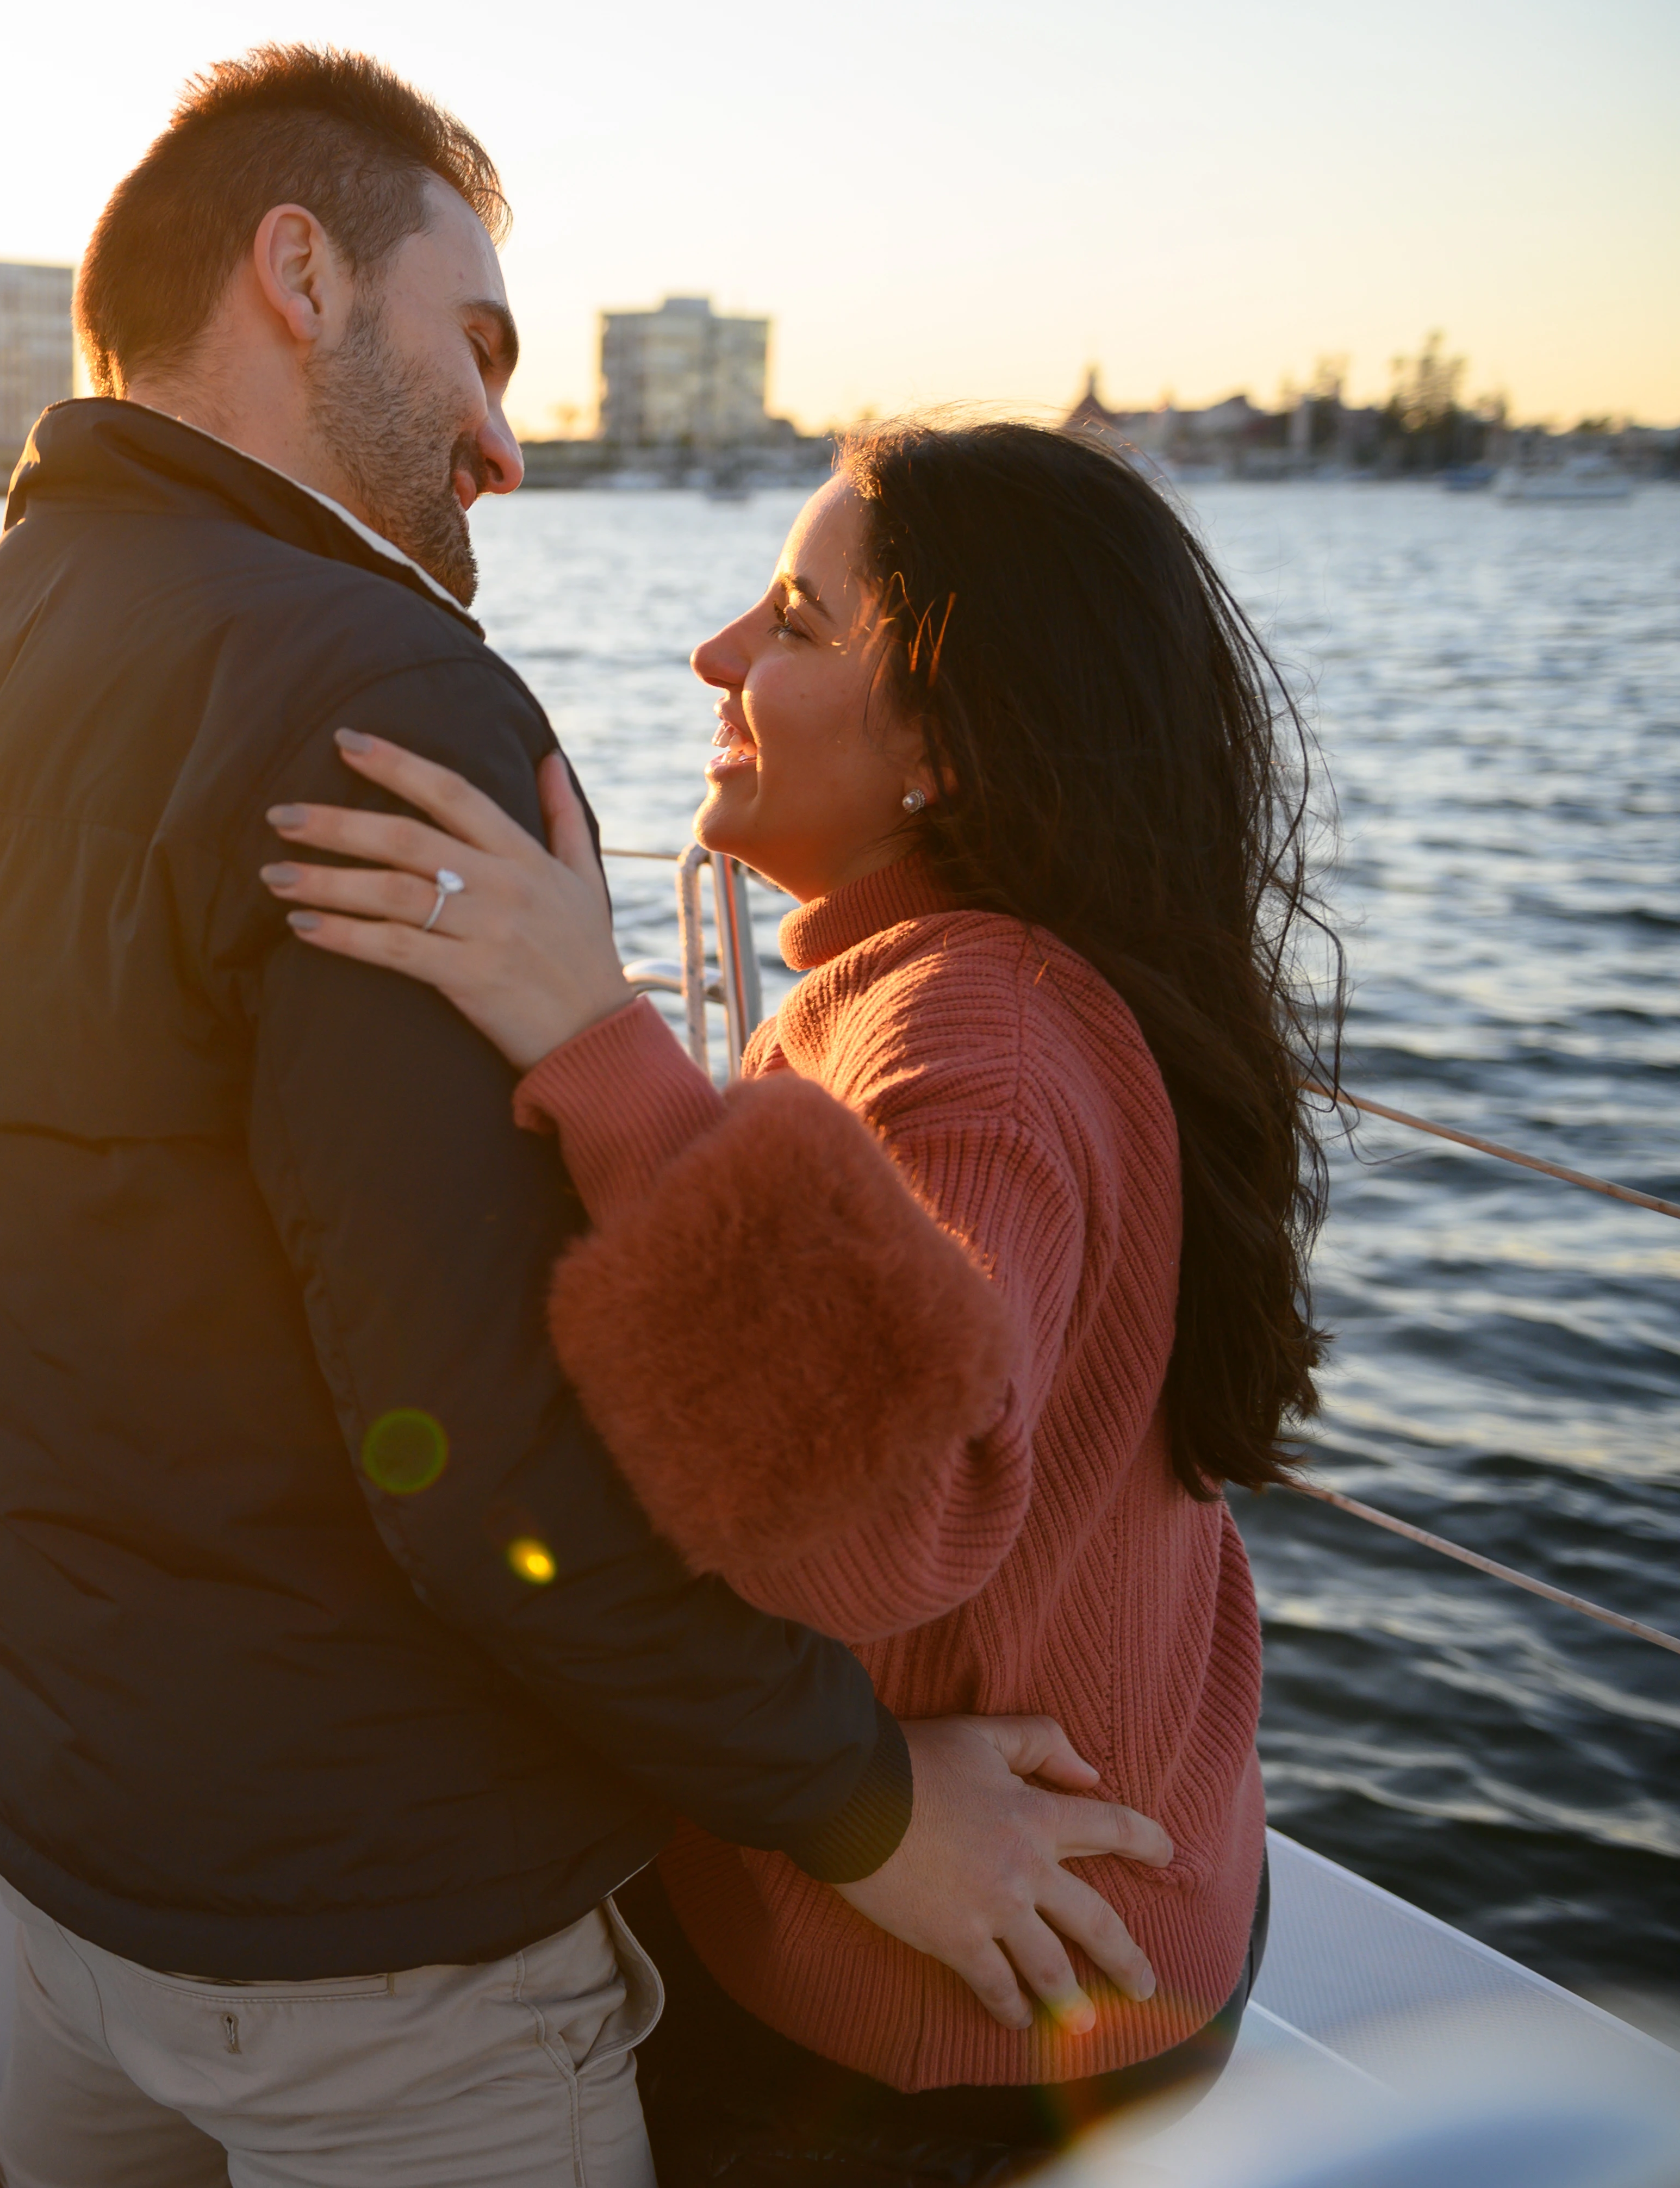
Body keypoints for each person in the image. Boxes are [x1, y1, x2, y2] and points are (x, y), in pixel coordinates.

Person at [0, 49, 1176, 2188]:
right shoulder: (384, 698)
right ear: (298, 275)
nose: (508, 448)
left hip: (81, 1877)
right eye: (482, 344)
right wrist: (869, 1810)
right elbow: (480, 1460)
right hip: (386, 1954)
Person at [259, 416, 1330, 2178]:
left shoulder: (969, 1040)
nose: (718, 658)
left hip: (937, 2021)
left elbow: (872, 1524)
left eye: (799, 626)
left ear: (953, 749)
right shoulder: (1015, 972)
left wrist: (594, 1043)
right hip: (1134, 1923)